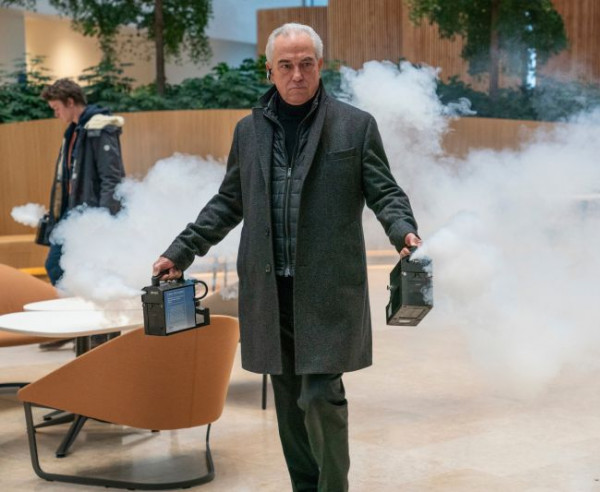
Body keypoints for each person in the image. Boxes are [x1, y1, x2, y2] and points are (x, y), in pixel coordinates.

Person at [152, 23, 421, 491]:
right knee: (289, 400)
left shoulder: (355, 125)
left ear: (320, 66)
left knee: (320, 395)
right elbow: (228, 202)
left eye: (306, 64)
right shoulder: (248, 131)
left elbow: (385, 192)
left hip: (328, 291)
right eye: (286, 65)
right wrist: (181, 251)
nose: (297, 74)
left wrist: (404, 230)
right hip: (269, 291)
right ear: (270, 70)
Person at [41, 78, 126, 285]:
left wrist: (105, 219)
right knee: (60, 266)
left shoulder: (99, 128)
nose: (56, 114)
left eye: (57, 108)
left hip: (91, 212)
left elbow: (111, 178)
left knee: (57, 266)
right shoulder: (74, 130)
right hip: (74, 210)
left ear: (70, 102)